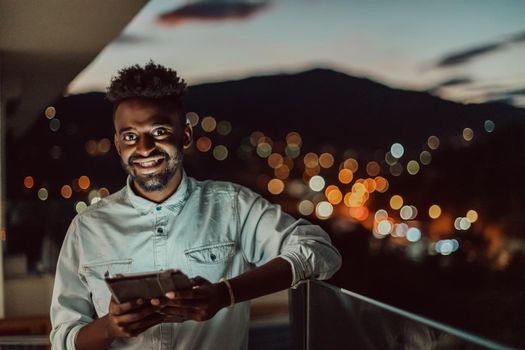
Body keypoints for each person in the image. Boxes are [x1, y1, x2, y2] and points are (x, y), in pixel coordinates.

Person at [50, 61, 342, 350]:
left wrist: (224, 294)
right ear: (117, 144)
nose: (144, 147)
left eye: (159, 131)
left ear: (185, 135)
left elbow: (320, 252)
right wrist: (109, 327)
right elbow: (62, 339)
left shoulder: (233, 206)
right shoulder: (87, 227)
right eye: (130, 136)